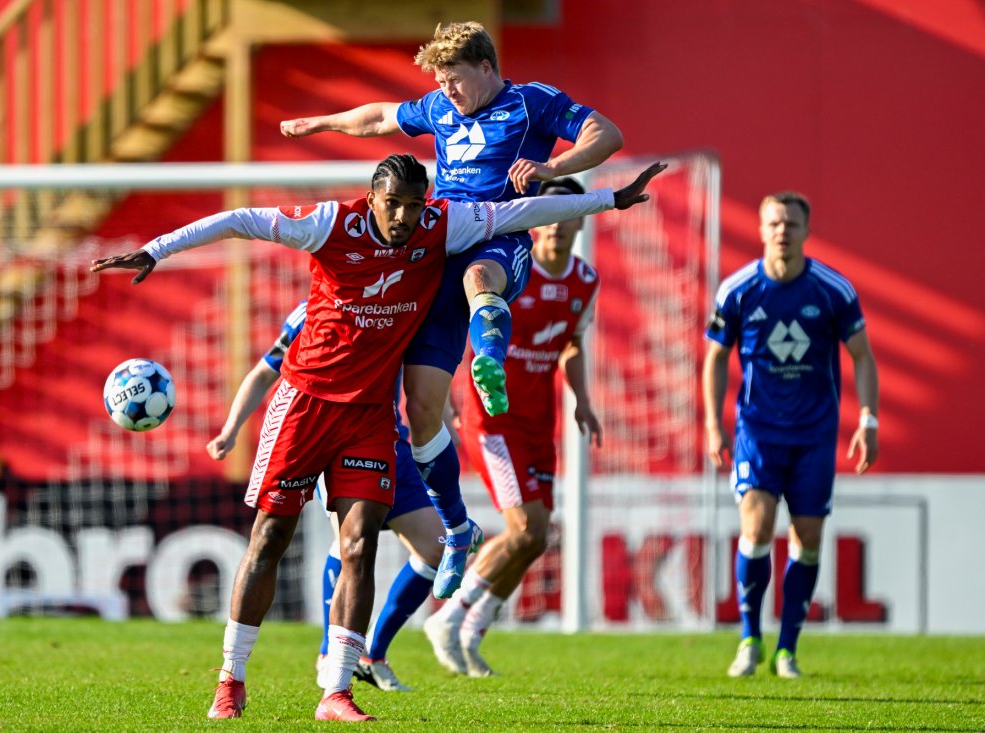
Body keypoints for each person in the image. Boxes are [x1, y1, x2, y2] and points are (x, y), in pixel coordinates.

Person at [90, 154, 664, 720]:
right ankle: (231, 680)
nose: (405, 217)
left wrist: (611, 200)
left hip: (369, 416)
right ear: (372, 199)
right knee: (270, 538)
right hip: (304, 404)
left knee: (361, 544)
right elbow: (240, 219)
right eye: (395, 205)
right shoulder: (329, 224)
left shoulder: (441, 224)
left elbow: (523, 212)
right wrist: (157, 249)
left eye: (415, 205)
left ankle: (337, 689)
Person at [280, 21, 624, 598]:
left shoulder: (530, 102)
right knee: (422, 410)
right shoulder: (440, 107)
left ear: (486, 68)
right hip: (435, 247)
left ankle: (488, 362)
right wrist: (321, 123)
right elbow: (380, 118)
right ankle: (458, 528)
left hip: (502, 237)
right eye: (439, 82)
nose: (448, 92)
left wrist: (552, 170)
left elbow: (606, 133)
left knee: (481, 277)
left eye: (455, 80)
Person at [205, 298, 448, 693]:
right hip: (328, 438)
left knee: (437, 546)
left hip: (390, 441)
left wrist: (443, 417)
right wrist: (232, 429)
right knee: (347, 541)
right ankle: (327, 656)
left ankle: (371, 654)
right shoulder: (313, 311)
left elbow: (425, 374)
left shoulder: (403, 303)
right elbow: (265, 372)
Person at [424, 177, 602, 677]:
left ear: (581, 219)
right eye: (552, 213)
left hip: (538, 421)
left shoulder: (584, 281)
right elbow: (461, 331)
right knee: (524, 526)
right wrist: (440, 401)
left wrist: (583, 399)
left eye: (571, 214)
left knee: (538, 537)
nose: (561, 225)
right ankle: (449, 619)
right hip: (492, 420)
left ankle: (473, 627)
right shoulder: (507, 273)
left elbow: (570, 344)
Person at [703, 191, 880, 679]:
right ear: (761, 230)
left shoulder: (832, 290)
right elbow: (716, 356)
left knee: (808, 539)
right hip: (758, 431)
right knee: (756, 529)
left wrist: (868, 420)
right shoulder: (737, 290)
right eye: (775, 223)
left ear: (806, 230)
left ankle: (787, 650)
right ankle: (748, 639)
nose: (783, 231)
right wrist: (713, 423)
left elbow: (863, 355)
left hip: (814, 436)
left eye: (792, 224)